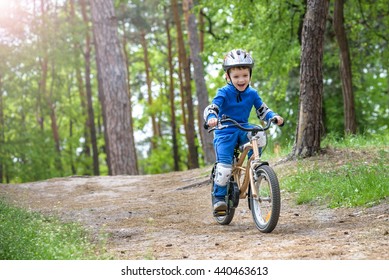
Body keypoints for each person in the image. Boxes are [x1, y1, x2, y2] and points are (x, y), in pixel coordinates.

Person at [203, 49, 284, 212]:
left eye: (245, 75)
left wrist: (273, 116)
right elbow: (212, 107)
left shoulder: (252, 93)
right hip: (224, 131)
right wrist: (211, 117)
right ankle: (219, 198)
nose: (241, 80)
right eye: (236, 76)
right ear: (228, 77)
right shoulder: (224, 92)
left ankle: (254, 163)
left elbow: (262, 109)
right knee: (225, 167)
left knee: (259, 132)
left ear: (250, 75)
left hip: (242, 128)